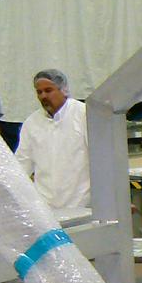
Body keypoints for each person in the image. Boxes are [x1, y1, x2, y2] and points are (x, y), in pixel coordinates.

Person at [14, 69, 89, 210]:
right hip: (46, 206)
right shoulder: (32, 123)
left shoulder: (84, 115)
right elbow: (22, 164)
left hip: (82, 203)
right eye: (39, 92)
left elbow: (102, 160)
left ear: (63, 90)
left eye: (48, 90)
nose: (43, 96)